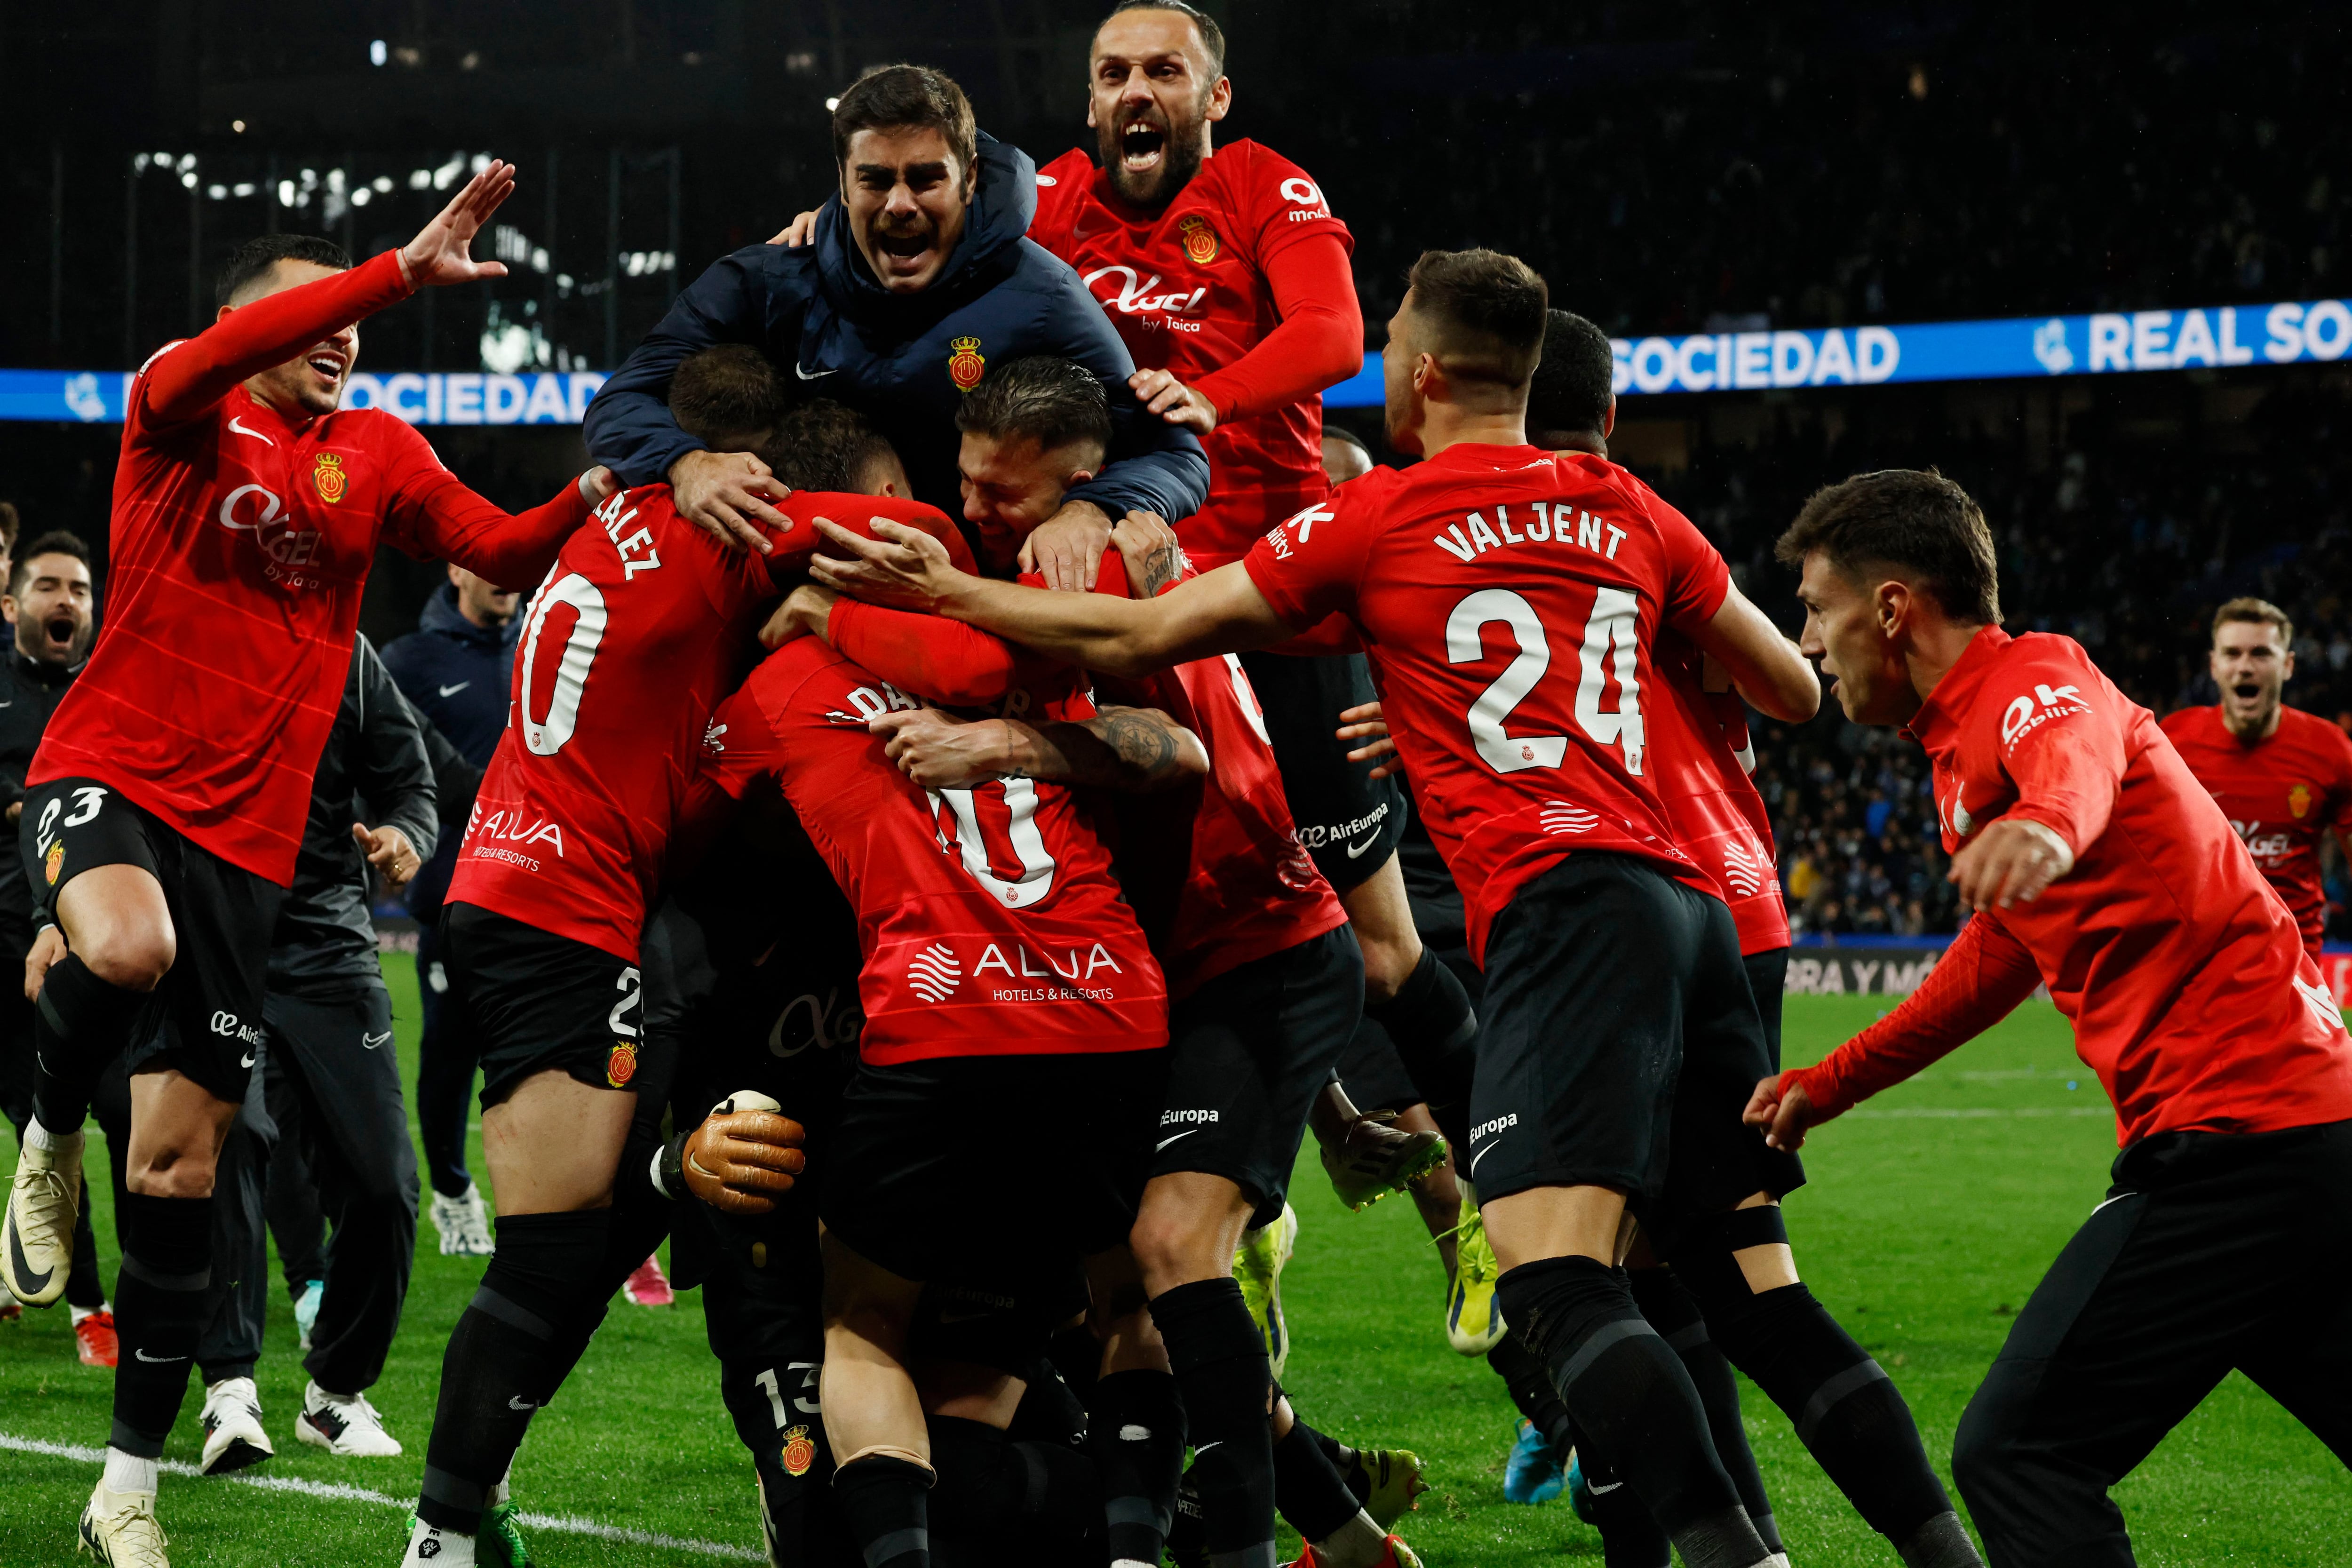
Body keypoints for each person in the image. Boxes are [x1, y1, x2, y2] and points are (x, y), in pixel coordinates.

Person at [809, 247, 1980, 1568]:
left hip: (1566, 909)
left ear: (1421, 373)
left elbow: (1143, 638)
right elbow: (1792, 691)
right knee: (1750, 1290)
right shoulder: (1626, 504)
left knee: (1551, 1276)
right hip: (1702, 908)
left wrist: (940, 590)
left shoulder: (1380, 517)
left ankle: (1736, 1558)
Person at [0, 165, 615, 1568]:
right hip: (110, 772)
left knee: (173, 1177)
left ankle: (123, 1494)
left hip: (249, 850)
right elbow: (219, 351)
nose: (340, 335)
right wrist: (397, 268)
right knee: (122, 950)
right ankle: (44, 1137)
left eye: (349, 318)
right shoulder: (178, 401)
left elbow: (507, 549)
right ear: (236, 322)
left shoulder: (380, 452)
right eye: (307, 313)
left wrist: (601, 481)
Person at [770, 356, 1414, 1568]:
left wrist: (1005, 739)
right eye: (966, 485)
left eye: (1006, 497)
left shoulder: (1105, 564)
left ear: (1081, 480)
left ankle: (1247, 1550)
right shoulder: (1052, 552)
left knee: (1165, 1262)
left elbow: (1174, 752)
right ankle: (1339, 1528)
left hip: (1256, 957)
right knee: (1131, 1286)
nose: (975, 516)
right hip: (1175, 976)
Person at [1748, 469, 2352, 1567]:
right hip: (2307, 1133)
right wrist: (1820, 1087)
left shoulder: (2032, 678)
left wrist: (2048, 825)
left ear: (1890, 608)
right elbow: (1991, 963)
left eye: (1814, 606)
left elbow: (2069, 763)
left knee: (2018, 1454)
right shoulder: (1956, 739)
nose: (1808, 637)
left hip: (2235, 1141)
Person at [399, 353, 883, 1568]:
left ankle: (461, 1514)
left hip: (527, 885)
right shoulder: (729, 527)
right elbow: (906, 526)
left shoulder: (615, 517)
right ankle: (440, 1539)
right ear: (748, 466)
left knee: (586, 1244)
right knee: (569, 1241)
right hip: (566, 902)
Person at [697, 509, 1189, 1568]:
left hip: (941, 1020)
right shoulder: (1042, 659)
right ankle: (1150, 1546)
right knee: (1126, 1299)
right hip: (1110, 1009)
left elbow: (701, 826)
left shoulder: (784, 689)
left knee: (863, 1322)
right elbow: (1178, 753)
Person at [585, 64, 1208, 557]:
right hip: (802, 587)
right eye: (877, 179)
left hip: (976, 605)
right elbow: (619, 402)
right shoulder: (774, 278)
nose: (901, 203)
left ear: (968, 179)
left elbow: (1177, 455)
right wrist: (685, 463)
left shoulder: (1043, 297)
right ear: (843, 179)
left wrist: (1091, 510)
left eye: (926, 178)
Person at [381, 564, 519, 1256]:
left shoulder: (552, 644)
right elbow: (385, 766)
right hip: (455, 900)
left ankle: (561, 1210)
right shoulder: (407, 661)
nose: (509, 577)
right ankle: (454, 1192)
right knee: (448, 1058)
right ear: (457, 569)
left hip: (548, 894)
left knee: (551, 1062)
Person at [0, 532, 107, 1361]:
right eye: (47, 586)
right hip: (3, 942)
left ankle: (97, 1302)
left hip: (89, 946)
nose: (65, 600)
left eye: (78, 588)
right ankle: (85, 1302)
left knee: (85, 1117)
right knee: (38, 1118)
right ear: (13, 604)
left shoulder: (109, 697)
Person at [2159, 597, 2352, 959]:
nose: (2245, 667)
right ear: (2214, 666)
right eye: (2233, 654)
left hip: (2294, 966)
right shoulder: (2172, 743)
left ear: (2288, 665)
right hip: (2197, 963)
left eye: (2261, 654)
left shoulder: (2330, 750)